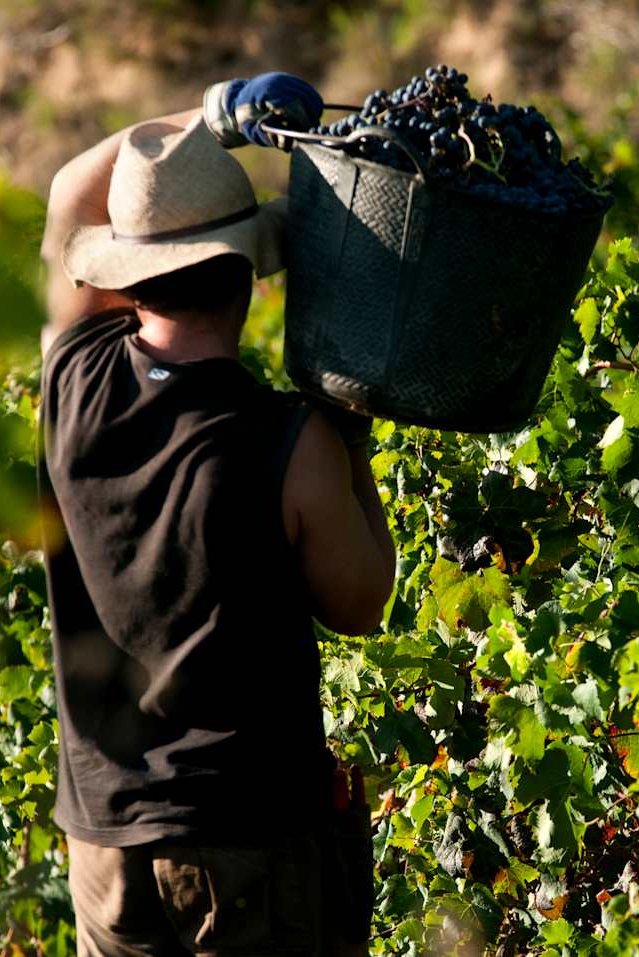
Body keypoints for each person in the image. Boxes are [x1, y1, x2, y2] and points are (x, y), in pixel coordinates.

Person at [37, 72, 395, 956]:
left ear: (126, 276)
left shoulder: (70, 376)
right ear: (249, 276)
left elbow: (67, 193)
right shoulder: (291, 442)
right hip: (246, 843)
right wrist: (352, 442)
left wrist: (207, 118)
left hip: (102, 838)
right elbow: (362, 602)